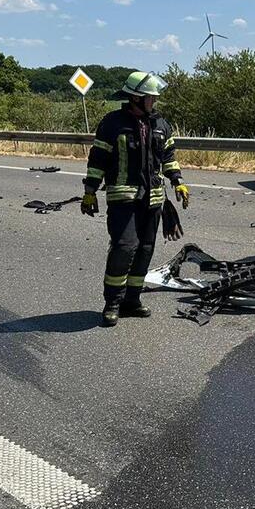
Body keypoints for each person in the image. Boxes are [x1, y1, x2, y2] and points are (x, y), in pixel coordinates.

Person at [81, 71, 189, 326]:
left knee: (145, 249)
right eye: (151, 97)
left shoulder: (161, 124)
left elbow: (168, 156)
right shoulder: (112, 123)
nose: (155, 101)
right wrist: (89, 190)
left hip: (152, 199)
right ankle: (113, 303)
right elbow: (98, 159)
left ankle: (132, 300)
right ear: (136, 98)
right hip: (123, 198)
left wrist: (178, 181)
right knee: (125, 247)